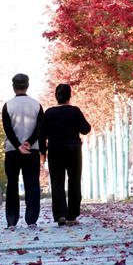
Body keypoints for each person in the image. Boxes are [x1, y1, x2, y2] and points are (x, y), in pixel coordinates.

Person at [39, 83, 91, 225]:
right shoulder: (75, 111)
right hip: (73, 150)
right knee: (74, 181)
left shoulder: (49, 113)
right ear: (70, 95)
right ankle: (72, 216)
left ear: (56, 96)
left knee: (57, 183)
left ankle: (60, 214)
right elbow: (86, 129)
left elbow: (41, 134)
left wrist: (43, 153)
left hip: (55, 150)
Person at [1, 73, 43, 229]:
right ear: (27, 86)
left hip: (12, 150)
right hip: (32, 151)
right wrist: (29, 143)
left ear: (13, 87)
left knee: (12, 184)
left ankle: (12, 220)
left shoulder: (8, 105)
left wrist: (18, 145)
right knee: (32, 184)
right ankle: (31, 219)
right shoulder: (37, 105)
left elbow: (7, 129)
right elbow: (40, 128)